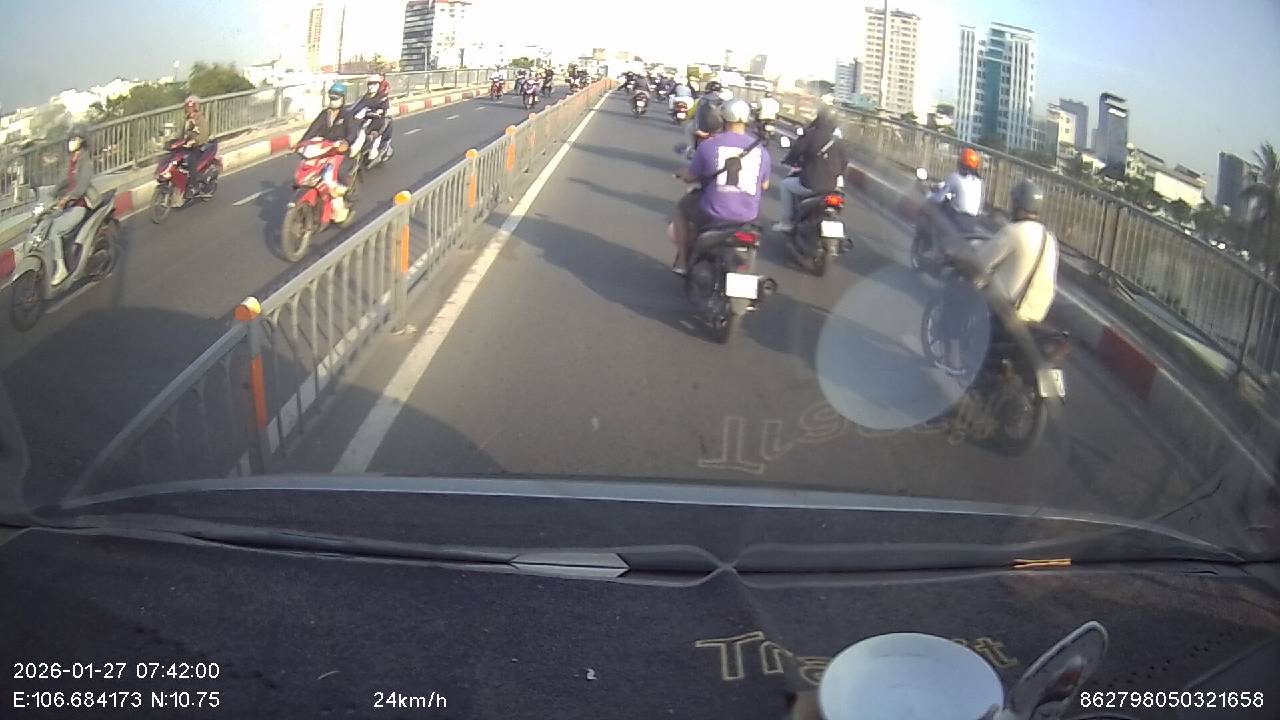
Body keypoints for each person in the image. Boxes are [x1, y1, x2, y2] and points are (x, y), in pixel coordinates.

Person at [939, 179, 1059, 375]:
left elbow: (981, 261)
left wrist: (959, 258)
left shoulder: (1014, 231)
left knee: (957, 295)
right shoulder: (1049, 238)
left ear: (1017, 204)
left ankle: (954, 359)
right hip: (1037, 314)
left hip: (1008, 309)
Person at [670, 99, 771, 274]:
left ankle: (682, 264)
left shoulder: (708, 146)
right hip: (748, 216)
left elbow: (691, 176)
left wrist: (681, 174)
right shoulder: (762, 151)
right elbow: (765, 185)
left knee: (681, 208)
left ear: (722, 118)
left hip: (714, 213)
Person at [772, 106, 848, 232]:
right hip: (831, 187)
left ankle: (786, 223)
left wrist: (788, 161)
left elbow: (796, 152)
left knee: (785, 185)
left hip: (810, 185)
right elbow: (844, 163)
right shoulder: (838, 141)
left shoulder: (810, 135)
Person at [300, 82, 359, 221]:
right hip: (324, 150)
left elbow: (352, 133)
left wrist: (346, 142)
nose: (333, 100)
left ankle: (344, 196)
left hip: (340, 151)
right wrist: (301, 143)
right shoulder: (324, 114)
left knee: (337, 174)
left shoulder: (347, 115)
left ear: (343, 98)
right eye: (332, 97)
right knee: (310, 169)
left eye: (336, 97)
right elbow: (312, 130)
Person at [47, 126, 96, 285]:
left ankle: (61, 269)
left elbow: (81, 188)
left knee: (54, 231)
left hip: (78, 206)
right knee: (47, 223)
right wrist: (51, 194)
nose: (71, 142)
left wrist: (67, 198)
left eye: (75, 139)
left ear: (82, 141)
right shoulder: (71, 160)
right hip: (67, 205)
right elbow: (62, 180)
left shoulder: (86, 162)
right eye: (71, 139)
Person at [351, 75, 392, 159]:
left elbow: (383, 109)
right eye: (370, 84)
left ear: (378, 85)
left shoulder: (382, 98)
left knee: (375, 134)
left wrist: (377, 112)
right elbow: (355, 107)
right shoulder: (363, 97)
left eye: (374, 84)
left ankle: (375, 149)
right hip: (364, 120)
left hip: (377, 121)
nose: (371, 86)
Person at [177, 96, 209, 185]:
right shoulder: (186, 119)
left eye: (191, 107)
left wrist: (195, 141)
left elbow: (204, 134)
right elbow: (181, 133)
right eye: (188, 107)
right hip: (186, 146)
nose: (189, 109)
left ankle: (193, 184)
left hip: (198, 146)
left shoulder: (200, 119)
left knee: (191, 160)